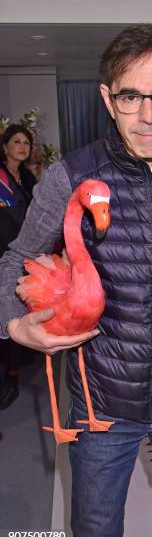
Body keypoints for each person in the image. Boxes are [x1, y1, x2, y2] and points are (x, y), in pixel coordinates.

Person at [0, 25, 152, 537]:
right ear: (107, 99)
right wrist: (13, 324)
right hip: (102, 408)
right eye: (130, 96)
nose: (147, 115)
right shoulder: (72, 176)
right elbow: (16, 259)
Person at [0, 124, 37, 409]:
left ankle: (18, 364)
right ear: (4, 147)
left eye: (26, 142)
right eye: (16, 141)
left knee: (20, 308)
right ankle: (10, 379)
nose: (22, 146)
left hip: (25, 254)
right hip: (4, 254)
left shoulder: (25, 177)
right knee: (7, 313)